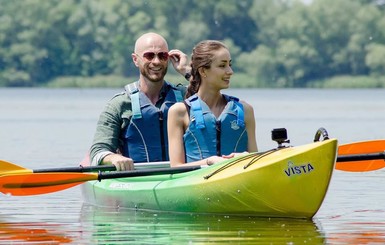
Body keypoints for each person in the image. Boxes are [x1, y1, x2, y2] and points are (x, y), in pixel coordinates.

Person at [89, 32, 191, 171]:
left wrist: (187, 71)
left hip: (182, 178)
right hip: (136, 180)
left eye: (162, 56)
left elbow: (212, 96)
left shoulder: (187, 97)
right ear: (135, 60)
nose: (156, 61)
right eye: (149, 55)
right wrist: (113, 158)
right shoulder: (119, 105)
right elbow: (98, 151)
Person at [167, 40, 258, 167]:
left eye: (230, 64)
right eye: (222, 66)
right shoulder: (179, 112)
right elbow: (176, 166)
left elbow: (256, 161)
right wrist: (209, 161)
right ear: (203, 71)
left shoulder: (245, 110)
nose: (230, 71)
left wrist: (245, 157)